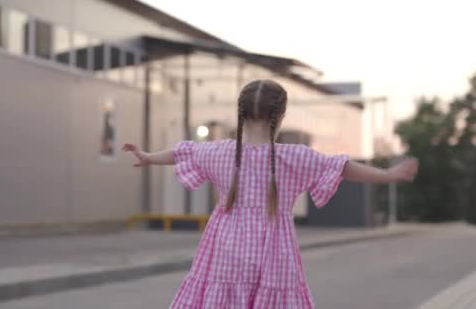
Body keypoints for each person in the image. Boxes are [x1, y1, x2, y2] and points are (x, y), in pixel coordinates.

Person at [122, 79, 418, 308]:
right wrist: (388, 175)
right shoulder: (294, 156)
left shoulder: (219, 152)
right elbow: (341, 167)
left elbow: (181, 151)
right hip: (274, 253)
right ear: (282, 114)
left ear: (241, 113)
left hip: (225, 251)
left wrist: (148, 156)